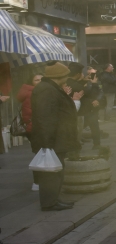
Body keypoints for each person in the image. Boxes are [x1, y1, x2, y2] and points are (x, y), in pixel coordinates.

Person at [31, 61, 82, 211]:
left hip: (57, 138)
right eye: (65, 75)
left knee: (56, 171)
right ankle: (49, 202)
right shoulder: (46, 90)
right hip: (52, 140)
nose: (67, 78)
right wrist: (48, 143)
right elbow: (45, 117)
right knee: (50, 174)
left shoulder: (52, 88)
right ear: (59, 76)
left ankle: (53, 199)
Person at [17, 73, 42, 190]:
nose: (39, 81)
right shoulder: (33, 93)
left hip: (33, 128)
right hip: (35, 128)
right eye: (37, 80)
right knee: (40, 154)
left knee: (39, 154)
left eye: (42, 79)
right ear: (32, 82)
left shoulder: (36, 92)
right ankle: (37, 182)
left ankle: (38, 181)